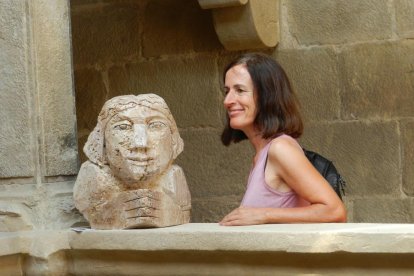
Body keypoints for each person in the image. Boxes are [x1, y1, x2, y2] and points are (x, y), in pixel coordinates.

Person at [219, 53, 346, 226]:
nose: (227, 100)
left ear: (266, 97)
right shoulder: (262, 155)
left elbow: (334, 210)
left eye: (240, 90)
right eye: (227, 91)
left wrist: (264, 215)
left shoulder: (280, 148)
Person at [73, 94, 191, 229]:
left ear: (174, 141)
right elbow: (94, 211)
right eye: (123, 127)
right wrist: (107, 213)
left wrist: (172, 211)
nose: (140, 143)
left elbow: (183, 213)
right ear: (102, 141)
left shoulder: (174, 176)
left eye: (155, 125)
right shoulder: (92, 177)